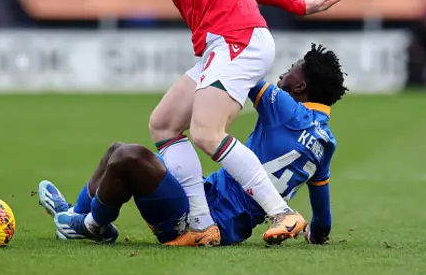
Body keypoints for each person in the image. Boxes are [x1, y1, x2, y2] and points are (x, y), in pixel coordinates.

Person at [103, 0, 346, 246]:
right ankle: (202, 224)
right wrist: (297, 5)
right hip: (226, 41)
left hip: (237, 38)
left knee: (206, 132)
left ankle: (282, 212)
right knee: (164, 124)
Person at [38, 44, 348, 246]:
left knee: (128, 156)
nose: (283, 73)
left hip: (205, 221)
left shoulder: (284, 107)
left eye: (292, 69)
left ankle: (94, 226)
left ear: (301, 85)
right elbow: (323, 223)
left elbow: (243, 70)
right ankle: (74, 217)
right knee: (117, 150)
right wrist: (314, 233)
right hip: (212, 205)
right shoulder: (326, 143)